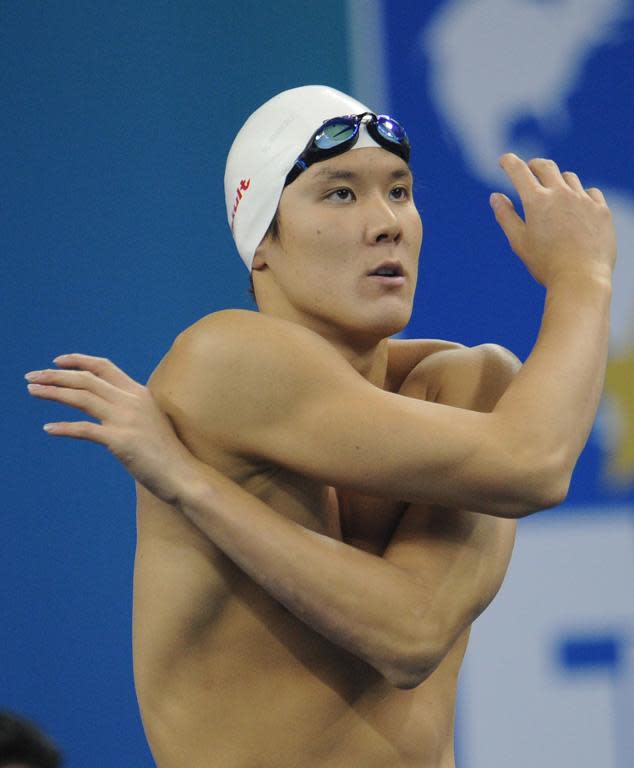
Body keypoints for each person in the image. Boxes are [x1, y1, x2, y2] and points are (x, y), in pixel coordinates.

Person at [25, 85, 615, 768]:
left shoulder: (472, 382)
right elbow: (525, 470)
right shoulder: (223, 360)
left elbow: (413, 624)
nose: (387, 222)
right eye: (341, 194)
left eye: (399, 191)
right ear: (261, 243)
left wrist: (193, 486)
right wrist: (583, 280)